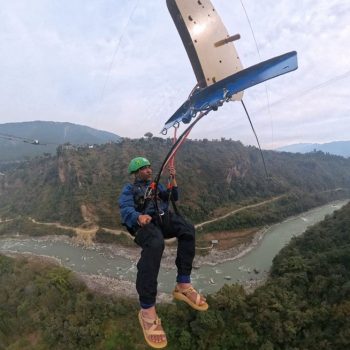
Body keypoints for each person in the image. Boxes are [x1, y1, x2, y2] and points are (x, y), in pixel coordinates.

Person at [119, 156, 208, 349]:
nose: (149, 170)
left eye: (149, 167)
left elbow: (172, 197)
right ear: (136, 173)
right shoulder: (130, 190)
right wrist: (138, 216)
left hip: (161, 219)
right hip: (144, 225)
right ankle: (147, 308)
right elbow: (125, 209)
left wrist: (172, 180)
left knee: (187, 229)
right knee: (156, 243)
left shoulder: (156, 185)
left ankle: (183, 283)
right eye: (144, 168)